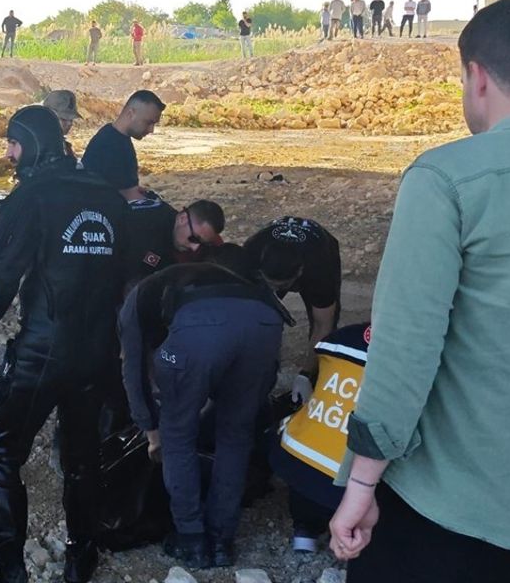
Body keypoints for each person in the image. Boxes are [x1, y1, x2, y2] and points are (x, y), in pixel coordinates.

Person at [328, 0, 510, 582]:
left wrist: (360, 485)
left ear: (476, 77)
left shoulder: (446, 179)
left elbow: (405, 350)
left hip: (449, 517)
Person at [0, 105, 129, 583]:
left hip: (43, 350)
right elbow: (126, 276)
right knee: (82, 459)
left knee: (2, 455)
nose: (9, 154)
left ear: (32, 144)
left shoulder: (31, 197)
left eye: (13, 143)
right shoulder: (109, 197)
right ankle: (81, 562)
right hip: (97, 351)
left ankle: (11, 575)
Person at [118, 244, 291, 569]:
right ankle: (222, 540)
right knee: (236, 436)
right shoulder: (187, 279)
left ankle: (192, 539)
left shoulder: (134, 303)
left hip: (204, 327)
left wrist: (151, 431)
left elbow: (134, 372)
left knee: (178, 434)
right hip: (265, 322)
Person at [270, 322, 370, 554]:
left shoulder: (343, 336)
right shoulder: (420, 358)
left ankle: (304, 531)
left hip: (297, 454)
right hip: (349, 477)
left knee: (309, 447)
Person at [242, 216, 341, 398]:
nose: (276, 290)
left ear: (300, 273)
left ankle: (316, 377)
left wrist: (305, 374)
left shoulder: (319, 267)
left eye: (281, 287)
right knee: (255, 311)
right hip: (266, 258)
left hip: (321, 247)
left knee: (326, 322)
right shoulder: (250, 253)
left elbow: (323, 324)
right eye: (271, 284)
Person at [81, 90, 165, 202]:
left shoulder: (115, 137)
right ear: (131, 114)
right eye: (148, 122)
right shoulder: (110, 145)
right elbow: (125, 195)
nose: (151, 130)